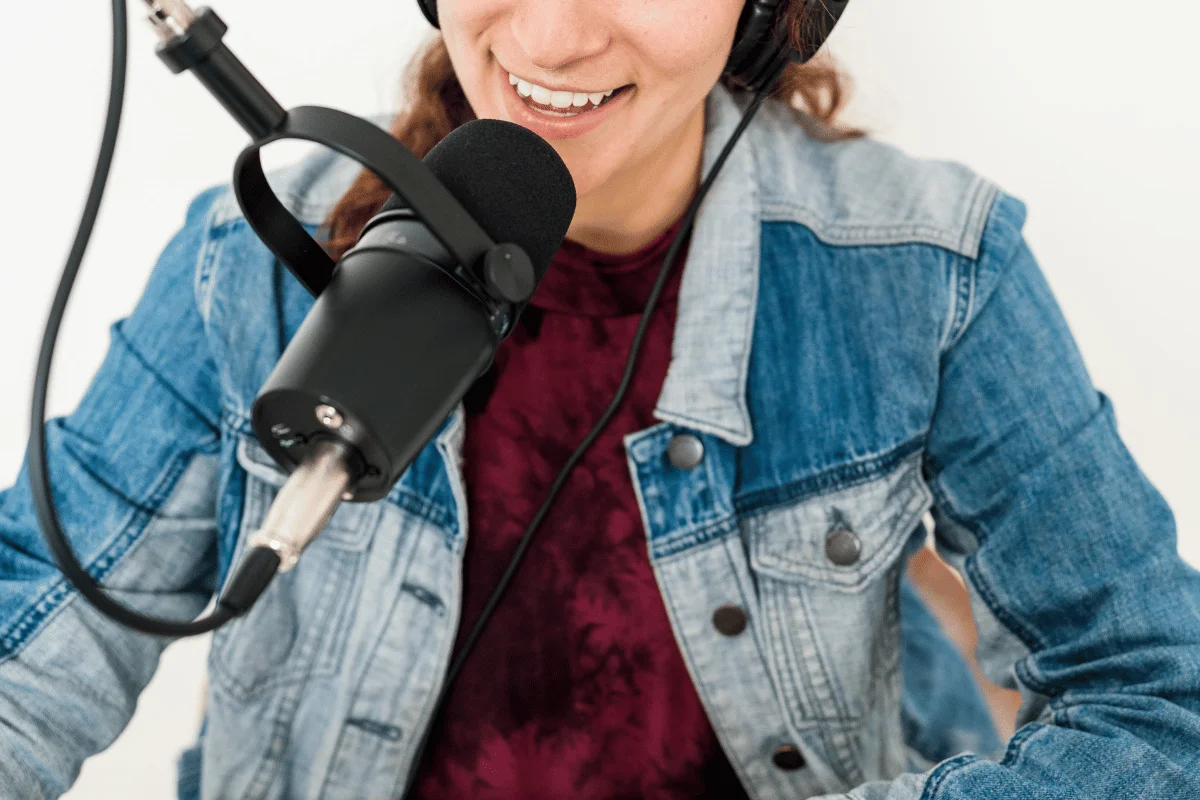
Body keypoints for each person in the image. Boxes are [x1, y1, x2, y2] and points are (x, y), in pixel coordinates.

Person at [1, 0, 1197, 797]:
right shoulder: (258, 247)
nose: (556, 35)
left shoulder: (929, 266)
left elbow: (1159, 705)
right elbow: (28, 659)